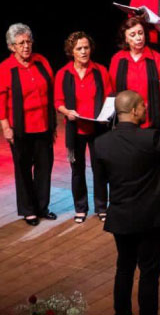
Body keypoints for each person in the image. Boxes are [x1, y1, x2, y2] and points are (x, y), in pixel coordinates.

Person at [94, 90, 160, 315]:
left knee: (124, 268)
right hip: (149, 217)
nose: (146, 108)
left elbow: (100, 185)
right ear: (133, 111)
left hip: (120, 216)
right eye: (142, 105)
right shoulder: (150, 138)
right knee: (149, 272)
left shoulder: (100, 144)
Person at [0, 23, 56, 226]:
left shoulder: (41, 61)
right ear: (12, 47)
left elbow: (51, 88)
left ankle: (42, 207)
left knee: (44, 167)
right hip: (20, 127)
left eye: (28, 41)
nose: (26, 46)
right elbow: (1, 100)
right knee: (23, 169)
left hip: (43, 124)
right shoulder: (6, 68)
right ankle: (28, 210)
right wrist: (6, 127)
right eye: (21, 43)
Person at [54, 32, 113, 223]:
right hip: (75, 128)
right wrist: (67, 112)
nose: (83, 51)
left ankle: (101, 207)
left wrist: (106, 115)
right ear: (71, 51)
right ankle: (80, 208)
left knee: (100, 169)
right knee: (77, 170)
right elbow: (58, 101)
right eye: (79, 48)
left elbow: (109, 97)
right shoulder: (64, 74)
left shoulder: (100, 71)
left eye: (86, 47)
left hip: (98, 128)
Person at [109, 17, 160, 135]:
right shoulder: (117, 59)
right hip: (126, 121)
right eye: (132, 35)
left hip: (151, 118)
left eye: (140, 33)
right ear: (126, 39)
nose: (138, 38)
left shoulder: (156, 58)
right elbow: (112, 91)